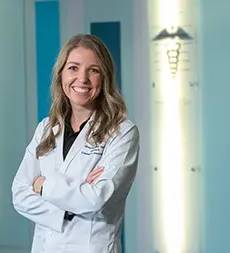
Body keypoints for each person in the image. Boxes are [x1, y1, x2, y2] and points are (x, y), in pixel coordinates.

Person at [11, 34, 139, 253]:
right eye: (73, 68)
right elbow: (19, 194)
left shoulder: (122, 132)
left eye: (93, 70)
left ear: (105, 77)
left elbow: (96, 199)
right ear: (61, 74)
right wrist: (70, 206)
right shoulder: (45, 128)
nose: (82, 79)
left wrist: (43, 186)